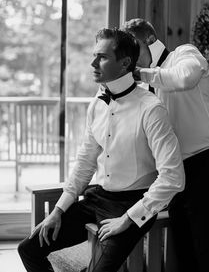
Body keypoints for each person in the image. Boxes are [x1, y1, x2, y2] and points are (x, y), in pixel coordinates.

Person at [18, 28, 185, 272]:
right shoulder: (96, 104)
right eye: (94, 55)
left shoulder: (151, 109)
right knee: (28, 249)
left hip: (132, 203)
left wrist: (128, 218)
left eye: (102, 57)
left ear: (125, 62)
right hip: (97, 197)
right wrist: (58, 210)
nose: (92, 62)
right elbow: (85, 162)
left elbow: (173, 176)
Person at [122, 18, 209, 272]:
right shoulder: (143, 89)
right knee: (183, 252)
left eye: (133, 48)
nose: (129, 57)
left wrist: (139, 74)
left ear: (149, 41)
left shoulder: (184, 54)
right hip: (175, 173)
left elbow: (185, 79)